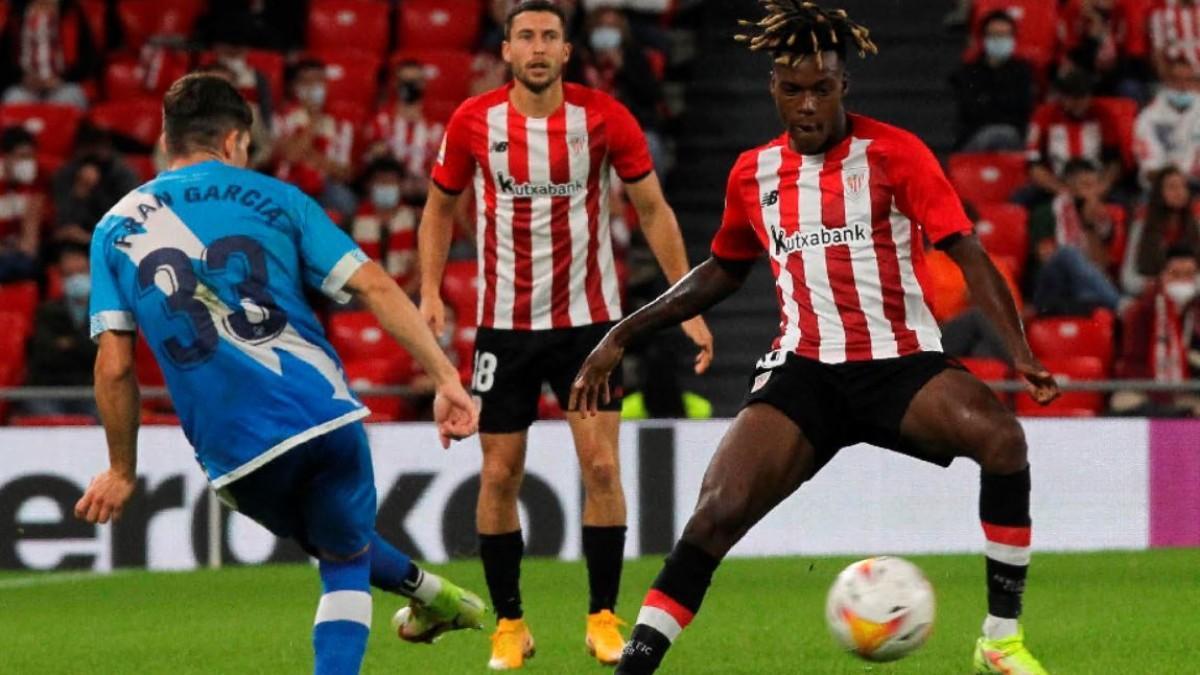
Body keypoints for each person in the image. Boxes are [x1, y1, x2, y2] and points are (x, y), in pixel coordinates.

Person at [569, 4, 1059, 673]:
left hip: (901, 363)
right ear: (773, 88)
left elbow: (967, 251)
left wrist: (1021, 353)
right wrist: (622, 332)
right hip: (806, 369)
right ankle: (636, 665)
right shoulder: (753, 172)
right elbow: (722, 269)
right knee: (718, 510)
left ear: (843, 87)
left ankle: (999, 639)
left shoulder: (895, 154)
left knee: (1004, 442)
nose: (807, 104)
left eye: (821, 88)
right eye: (793, 89)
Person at [74, 73, 485, 675]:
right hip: (325, 413)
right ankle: (437, 600)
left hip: (234, 451)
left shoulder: (113, 229)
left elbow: (113, 368)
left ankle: (440, 601)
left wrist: (121, 468)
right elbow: (372, 284)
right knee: (342, 552)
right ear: (237, 140)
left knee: (335, 544)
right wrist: (447, 376)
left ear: (166, 141)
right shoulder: (279, 199)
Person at [418, 1, 713, 669]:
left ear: (567, 49)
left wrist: (685, 301)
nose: (539, 47)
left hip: (589, 326)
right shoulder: (473, 120)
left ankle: (603, 617)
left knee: (602, 466)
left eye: (550, 35)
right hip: (505, 326)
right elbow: (439, 209)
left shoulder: (604, 118)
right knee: (499, 473)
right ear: (507, 51)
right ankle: (511, 623)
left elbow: (652, 208)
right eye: (526, 36)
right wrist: (431, 291)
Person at [1028, 158, 1123, 315]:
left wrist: (1089, 226)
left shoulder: (1101, 217)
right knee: (1068, 253)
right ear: (1069, 187)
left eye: (1095, 185)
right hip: (1052, 287)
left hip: (1082, 289)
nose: (1092, 192)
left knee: (1092, 298)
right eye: (1085, 185)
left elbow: (1100, 267)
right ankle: (1121, 306)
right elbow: (1047, 258)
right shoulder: (1046, 213)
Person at [1114, 245, 1200, 415]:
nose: (1183, 280)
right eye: (1176, 274)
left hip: (1188, 389)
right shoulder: (1142, 311)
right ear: (1163, 276)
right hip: (1146, 388)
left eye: (1189, 275)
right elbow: (1131, 364)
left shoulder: (1196, 312)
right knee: (1124, 403)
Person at [1022, 70, 1125, 206]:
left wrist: (1102, 187)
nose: (1080, 103)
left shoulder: (1103, 115)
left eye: (1084, 97)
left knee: (1124, 203)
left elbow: (1114, 162)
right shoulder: (1042, 116)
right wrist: (1061, 189)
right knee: (1019, 202)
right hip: (1055, 183)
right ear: (1062, 97)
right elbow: (1033, 165)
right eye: (1074, 98)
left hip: (1094, 184)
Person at [273, 59, 357, 223]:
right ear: (294, 87)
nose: (313, 86)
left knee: (347, 202)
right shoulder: (282, 119)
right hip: (289, 184)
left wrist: (309, 156)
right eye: (306, 81)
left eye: (319, 80)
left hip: (326, 187)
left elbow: (344, 173)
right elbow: (291, 157)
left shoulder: (341, 125)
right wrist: (313, 121)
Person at [20, 243, 97, 418]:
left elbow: (103, 352)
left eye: (81, 272)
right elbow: (44, 353)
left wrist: (69, 344)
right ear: (61, 278)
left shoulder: (105, 312)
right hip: (49, 387)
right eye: (70, 274)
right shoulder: (46, 311)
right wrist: (83, 344)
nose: (77, 279)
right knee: (44, 416)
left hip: (90, 388)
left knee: (112, 414)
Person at [949, 9, 1035, 152]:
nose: (999, 40)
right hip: (975, 137)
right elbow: (970, 110)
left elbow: (1024, 109)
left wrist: (989, 101)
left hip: (1014, 136)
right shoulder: (969, 72)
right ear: (984, 38)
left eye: (1004, 35)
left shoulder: (1023, 72)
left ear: (1013, 38)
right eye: (995, 35)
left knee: (1003, 135)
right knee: (993, 136)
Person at [363, 59, 445, 201]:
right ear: (396, 83)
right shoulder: (382, 122)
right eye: (405, 81)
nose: (410, 86)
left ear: (423, 84)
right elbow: (371, 163)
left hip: (424, 198)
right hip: (388, 195)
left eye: (415, 81)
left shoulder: (436, 128)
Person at [0, 0, 98, 109]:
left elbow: (88, 59)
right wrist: (23, 79)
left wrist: (60, 79)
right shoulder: (14, 13)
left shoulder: (72, 12)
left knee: (72, 97)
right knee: (12, 99)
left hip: (63, 85)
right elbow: (5, 61)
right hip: (24, 88)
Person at [1121, 167, 1200, 295]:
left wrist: (1185, 281)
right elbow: (1127, 278)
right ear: (1158, 193)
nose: (1179, 192)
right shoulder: (1142, 223)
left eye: (1183, 186)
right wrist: (1156, 284)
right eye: (1172, 187)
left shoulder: (1197, 221)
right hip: (1155, 294)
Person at [351, 158, 422, 295]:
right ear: (370, 186)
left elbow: (420, 272)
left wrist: (398, 300)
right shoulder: (353, 221)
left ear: (400, 185)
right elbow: (349, 270)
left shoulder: (414, 220)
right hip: (365, 295)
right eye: (381, 182)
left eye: (391, 183)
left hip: (406, 294)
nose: (386, 186)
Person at [1133, 55, 1200, 188]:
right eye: (1176, 80)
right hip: (1161, 188)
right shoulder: (1148, 117)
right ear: (1166, 81)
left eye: (1188, 80)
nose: (1183, 86)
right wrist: (1177, 181)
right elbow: (1150, 171)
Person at [0, 126, 46, 282]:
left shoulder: (36, 183)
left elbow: (29, 245)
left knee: (26, 266)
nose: (28, 163)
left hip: (18, 257)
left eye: (30, 157)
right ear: (5, 157)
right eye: (22, 157)